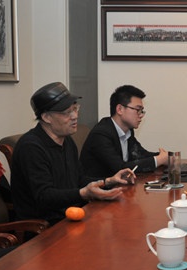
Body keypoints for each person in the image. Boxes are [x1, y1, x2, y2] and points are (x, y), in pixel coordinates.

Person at [11, 82, 134, 225]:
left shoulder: (67, 141)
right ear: (46, 117)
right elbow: (44, 196)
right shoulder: (30, 147)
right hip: (44, 226)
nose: (75, 116)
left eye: (75, 109)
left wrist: (109, 181)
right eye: (67, 112)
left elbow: (79, 179)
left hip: (71, 215)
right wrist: (83, 193)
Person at [80, 85, 167, 178]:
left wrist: (168, 157)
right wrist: (159, 160)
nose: (141, 115)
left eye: (142, 111)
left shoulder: (128, 131)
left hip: (120, 185)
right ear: (120, 109)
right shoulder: (101, 134)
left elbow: (141, 155)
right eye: (138, 110)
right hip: (100, 186)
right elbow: (120, 169)